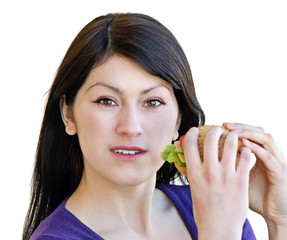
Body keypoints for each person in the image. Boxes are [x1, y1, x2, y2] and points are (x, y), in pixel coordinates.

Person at [22, 13, 287, 240]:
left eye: (152, 102)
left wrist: (280, 221)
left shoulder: (217, 206)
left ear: (178, 121)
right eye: (107, 101)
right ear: (68, 114)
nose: (131, 126)